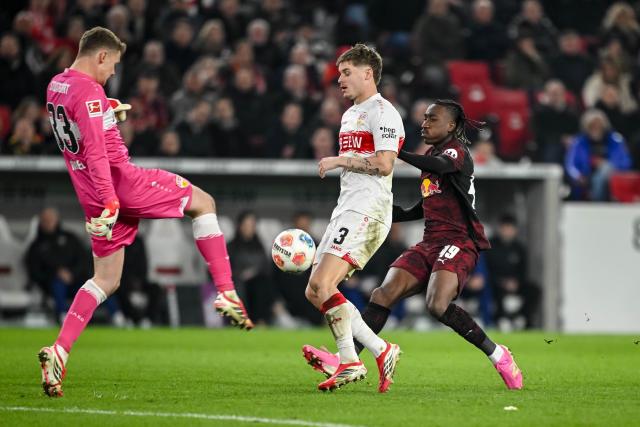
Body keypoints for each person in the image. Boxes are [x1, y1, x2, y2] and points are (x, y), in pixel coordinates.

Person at [38, 27, 253, 398]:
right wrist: (111, 200)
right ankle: (226, 292)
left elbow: (79, 126)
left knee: (106, 280)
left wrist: (108, 113)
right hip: (120, 186)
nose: (112, 75)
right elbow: (95, 151)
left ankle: (59, 351)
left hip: (88, 193)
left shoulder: (57, 84)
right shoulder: (91, 91)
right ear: (100, 56)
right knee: (204, 203)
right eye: (113, 66)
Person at [303, 100, 524, 390]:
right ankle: (347, 358)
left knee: (437, 304)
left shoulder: (455, 152)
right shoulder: (432, 156)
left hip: (458, 241)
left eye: (433, 119)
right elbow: (427, 204)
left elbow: (441, 165)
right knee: (382, 294)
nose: (425, 123)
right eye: (424, 118)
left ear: (452, 126)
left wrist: (396, 152)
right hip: (430, 242)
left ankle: (499, 355)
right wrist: (390, 212)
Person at [303, 43, 404, 393]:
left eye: (346, 72)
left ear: (368, 73)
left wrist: (339, 160)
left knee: (323, 285)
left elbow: (384, 164)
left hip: (368, 209)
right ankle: (380, 348)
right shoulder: (349, 115)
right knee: (315, 290)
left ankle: (349, 360)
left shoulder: (383, 112)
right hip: (347, 207)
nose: (339, 80)